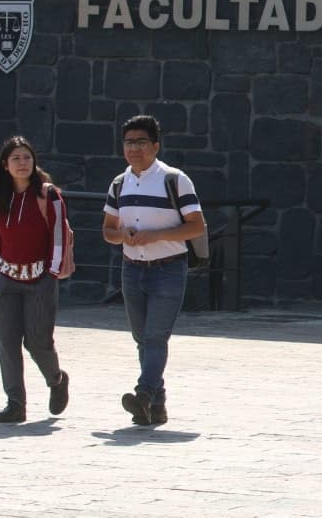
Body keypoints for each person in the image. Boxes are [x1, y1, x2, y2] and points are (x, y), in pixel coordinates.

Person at [101, 115, 205, 426]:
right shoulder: (119, 183)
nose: (134, 148)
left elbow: (196, 226)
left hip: (168, 269)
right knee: (142, 339)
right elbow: (108, 230)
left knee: (156, 337)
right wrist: (123, 236)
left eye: (141, 142)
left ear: (155, 146)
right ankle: (156, 406)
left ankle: (144, 393)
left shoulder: (175, 179)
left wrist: (157, 235)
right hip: (132, 269)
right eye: (128, 142)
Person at [0, 136, 73, 423]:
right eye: (16, 158)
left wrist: (51, 273)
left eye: (27, 157)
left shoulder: (48, 195)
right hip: (5, 280)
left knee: (37, 342)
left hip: (40, 280)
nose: (22, 163)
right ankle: (15, 403)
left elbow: (58, 236)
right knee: (7, 342)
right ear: (5, 165)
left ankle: (56, 380)